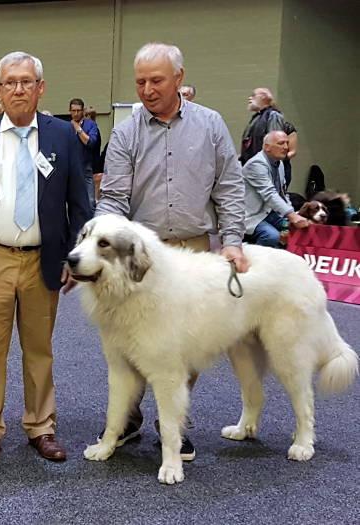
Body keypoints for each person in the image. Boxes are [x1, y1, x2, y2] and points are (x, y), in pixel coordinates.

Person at [96, 42, 249, 461]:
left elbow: (230, 188)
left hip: (194, 252)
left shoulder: (211, 125)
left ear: (179, 78)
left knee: (186, 344)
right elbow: (113, 197)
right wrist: (100, 237)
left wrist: (232, 241)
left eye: (156, 80)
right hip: (141, 258)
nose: (146, 89)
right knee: (131, 340)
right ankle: (127, 419)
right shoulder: (126, 131)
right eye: (140, 81)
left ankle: (174, 422)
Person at [0, 51, 91, 464]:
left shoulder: (63, 135)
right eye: (10, 82)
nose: (18, 89)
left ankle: (40, 426)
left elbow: (79, 202)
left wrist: (75, 257)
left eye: (27, 81)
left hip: (44, 258)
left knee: (39, 348)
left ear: (41, 88)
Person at [243, 131, 309, 246]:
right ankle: (259, 262)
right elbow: (270, 194)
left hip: (269, 213)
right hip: (250, 215)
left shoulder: (279, 163)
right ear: (267, 147)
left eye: (287, 143)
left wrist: (292, 213)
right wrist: (292, 215)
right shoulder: (256, 164)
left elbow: (283, 193)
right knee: (272, 237)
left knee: (296, 230)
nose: (286, 147)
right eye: (281, 143)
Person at [239, 87, 284, 166]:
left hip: (264, 166)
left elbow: (275, 143)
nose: (250, 98)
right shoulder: (257, 117)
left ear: (263, 96)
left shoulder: (273, 115)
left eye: (253, 95)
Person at [69, 98, 100, 210]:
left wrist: (78, 129)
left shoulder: (90, 125)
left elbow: (90, 142)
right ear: (70, 111)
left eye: (78, 110)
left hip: (86, 166)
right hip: (71, 168)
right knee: (73, 203)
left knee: (90, 201)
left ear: (82, 111)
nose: (76, 113)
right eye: (73, 111)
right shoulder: (66, 127)